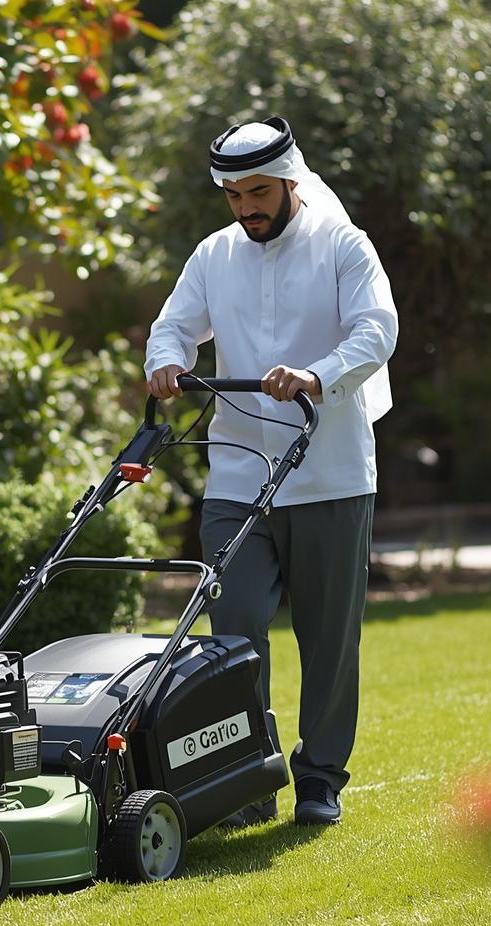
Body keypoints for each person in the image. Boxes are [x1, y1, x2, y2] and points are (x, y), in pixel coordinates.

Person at [145, 116, 397, 826]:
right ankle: (246, 779)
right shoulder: (213, 255)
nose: (246, 208)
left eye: (258, 192)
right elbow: (173, 326)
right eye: (234, 196)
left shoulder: (344, 246)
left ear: (290, 181)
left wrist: (317, 375)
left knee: (327, 639)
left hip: (331, 476)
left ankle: (319, 781)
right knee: (234, 627)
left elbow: (377, 330)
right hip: (236, 475)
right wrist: (166, 361)